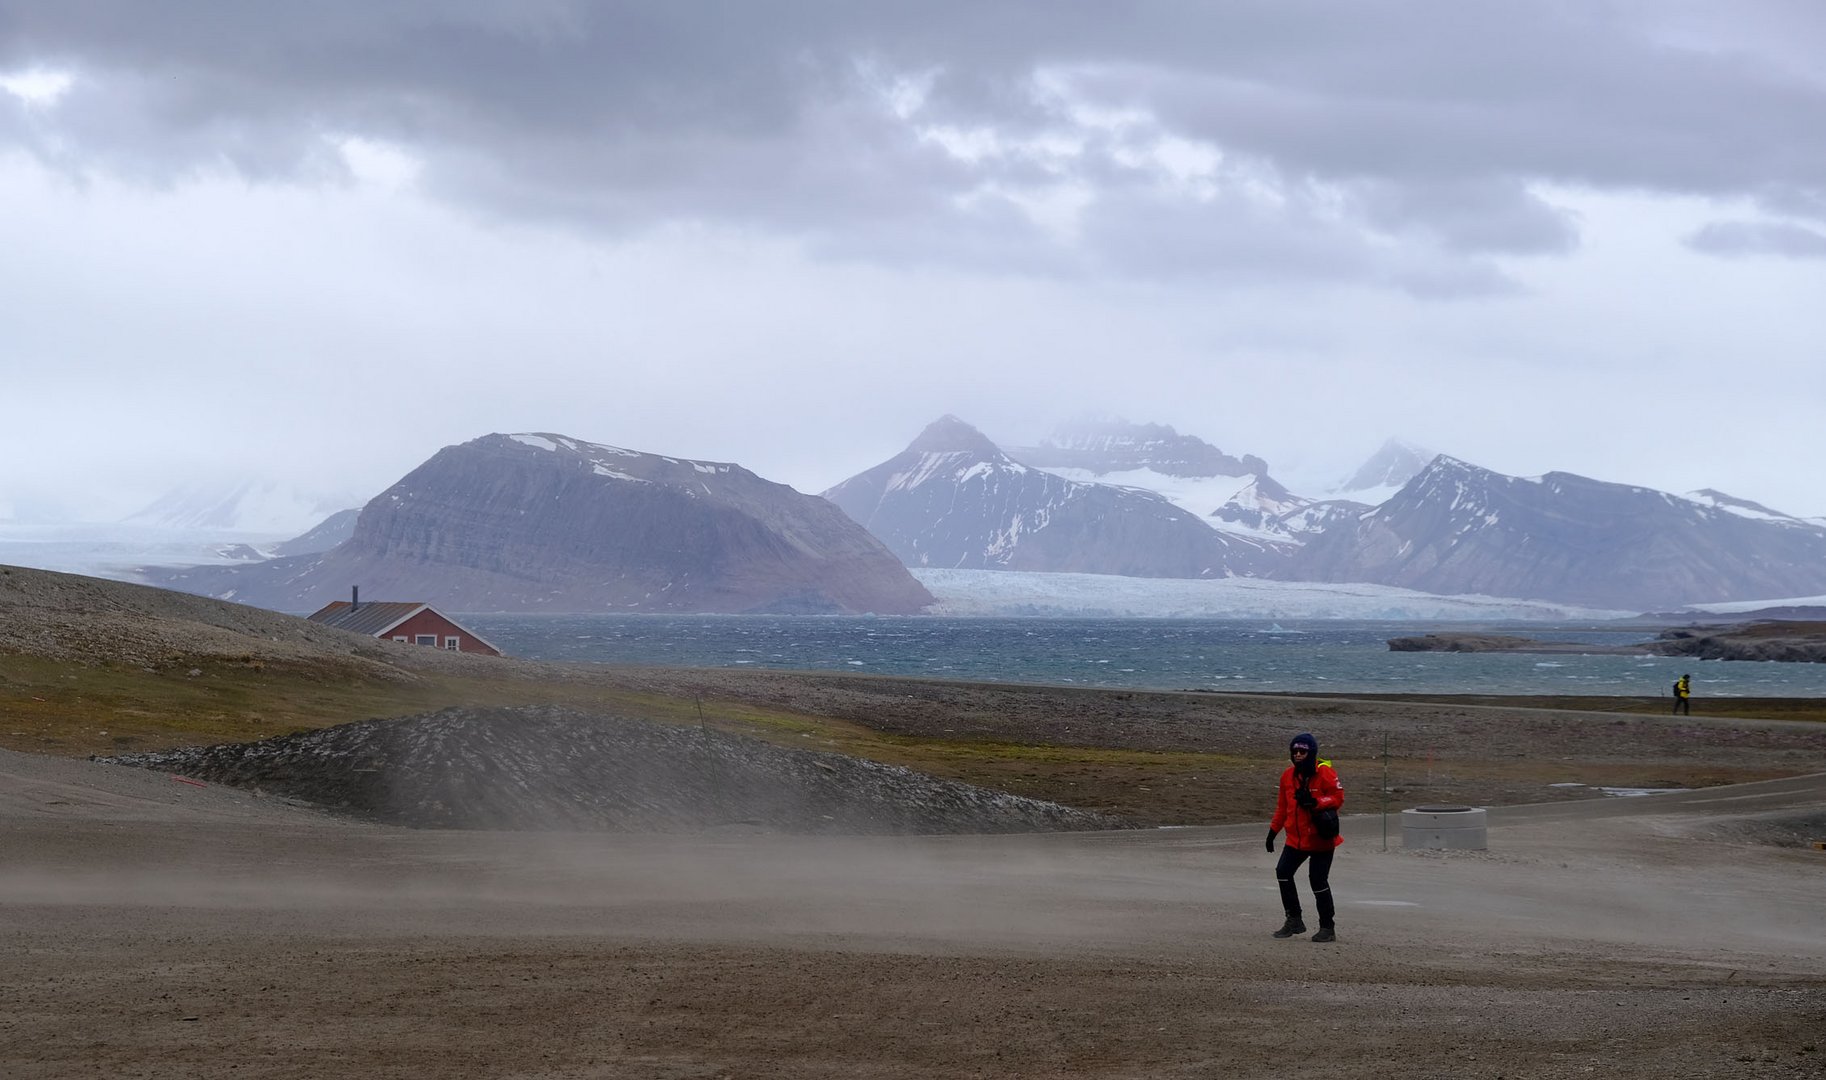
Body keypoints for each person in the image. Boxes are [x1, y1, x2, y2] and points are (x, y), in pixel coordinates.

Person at [1266, 732, 1344, 942]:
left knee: (1317, 881)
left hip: (1321, 840)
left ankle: (1327, 927)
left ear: (1311, 753)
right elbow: (1282, 808)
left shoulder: (1325, 773)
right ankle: (1294, 920)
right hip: (1296, 840)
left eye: (1302, 751)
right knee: (1283, 872)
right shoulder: (1287, 776)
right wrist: (1273, 832)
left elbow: (1338, 797)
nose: (1298, 754)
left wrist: (1316, 802)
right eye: (1295, 751)